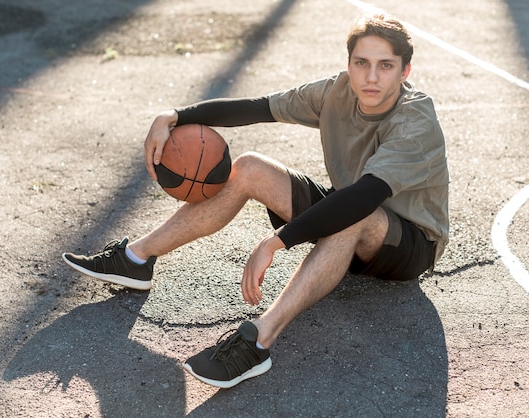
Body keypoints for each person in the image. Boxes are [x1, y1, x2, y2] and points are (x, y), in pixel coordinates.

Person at [62, 13, 449, 389]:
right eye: (361, 63)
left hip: (409, 244)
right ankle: (135, 259)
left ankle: (258, 341)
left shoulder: (414, 121)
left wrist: (278, 240)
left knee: (354, 213)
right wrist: (176, 115)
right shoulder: (336, 92)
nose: (371, 76)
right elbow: (258, 107)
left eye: (385, 65)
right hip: (349, 214)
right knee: (248, 167)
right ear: (348, 64)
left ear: (405, 71)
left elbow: (364, 197)